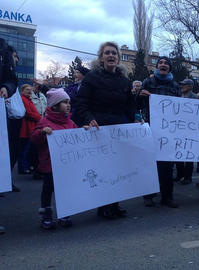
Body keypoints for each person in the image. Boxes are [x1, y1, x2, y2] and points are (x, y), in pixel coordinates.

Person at [76, 41, 136, 219]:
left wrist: (137, 122)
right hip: (98, 129)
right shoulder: (91, 78)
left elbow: (129, 108)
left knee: (118, 169)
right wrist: (89, 119)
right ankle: (103, 206)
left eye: (114, 53)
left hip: (118, 130)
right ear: (101, 57)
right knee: (102, 170)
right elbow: (81, 104)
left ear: (118, 58)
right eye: (107, 53)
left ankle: (115, 204)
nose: (111, 56)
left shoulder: (125, 81)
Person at [31, 88, 78, 229]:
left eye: (69, 102)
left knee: (65, 189)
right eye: (64, 102)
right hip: (50, 165)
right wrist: (42, 133)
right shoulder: (45, 122)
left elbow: (78, 135)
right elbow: (33, 139)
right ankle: (46, 215)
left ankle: (64, 213)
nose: (68, 105)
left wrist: (85, 130)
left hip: (66, 164)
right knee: (48, 189)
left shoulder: (70, 122)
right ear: (55, 106)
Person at [138, 56, 181, 208]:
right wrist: (140, 95)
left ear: (170, 68)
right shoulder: (148, 82)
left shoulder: (175, 86)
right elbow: (138, 104)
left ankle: (167, 197)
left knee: (167, 165)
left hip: (168, 130)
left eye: (166, 63)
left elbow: (179, 108)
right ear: (157, 67)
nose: (163, 65)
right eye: (160, 63)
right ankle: (148, 195)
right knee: (149, 163)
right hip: (150, 128)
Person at [1, 43, 21, 192]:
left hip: (6, 117)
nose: (16, 60)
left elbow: (11, 81)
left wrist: (6, 88)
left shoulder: (5, 50)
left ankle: (4, 181)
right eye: (15, 57)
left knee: (10, 149)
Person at [174, 78, 197, 185]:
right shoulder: (178, 96)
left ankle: (188, 177)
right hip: (178, 129)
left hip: (190, 130)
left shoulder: (195, 98)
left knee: (188, 154)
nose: (181, 86)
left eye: (184, 84)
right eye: (181, 84)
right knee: (177, 153)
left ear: (190, 86)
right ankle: (180, 174)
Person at [18, 84, 41, 175]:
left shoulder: (28, 99)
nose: (30, 91)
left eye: (30, 89)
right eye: (27, 89)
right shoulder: (23, 99)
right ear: (22, 91)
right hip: (25, 129)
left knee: (26, 149)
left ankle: (26, 166)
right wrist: (40, 118)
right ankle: (23, 167)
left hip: (29, 127)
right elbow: (29, 113)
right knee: (24, 149)